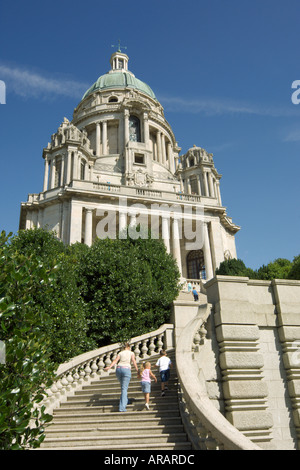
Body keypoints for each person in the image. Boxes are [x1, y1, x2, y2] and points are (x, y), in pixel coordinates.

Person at [104, 342, 139, 412]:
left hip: (118, 369)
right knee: (124, 388)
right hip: (126, 369)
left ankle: (126, 400)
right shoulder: (131, 353)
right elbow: (133, 361)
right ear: (128, 347)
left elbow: (115, 361)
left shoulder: (120, 353)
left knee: (123, 387)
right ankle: (122, 407)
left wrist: (109, 367)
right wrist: (137, 370)